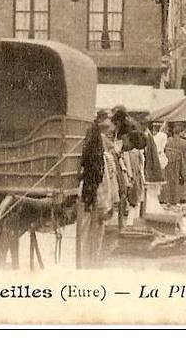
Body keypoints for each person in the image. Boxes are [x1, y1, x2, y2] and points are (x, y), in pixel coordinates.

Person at [77, 113, 109, 268]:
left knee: (90, 226)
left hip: (92, 183)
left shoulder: (96, 134)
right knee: (87, 226)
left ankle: (87, 260)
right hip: (91, 185)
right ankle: (85, 262)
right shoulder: (94, 134)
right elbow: (89, 157)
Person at [161, 123, 186, 204]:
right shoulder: (183, 142)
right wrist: (185, 137)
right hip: (184, 167)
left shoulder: (168, 141)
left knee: (171, 186)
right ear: (182, 132)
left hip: (169, 167)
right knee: (184, 189)